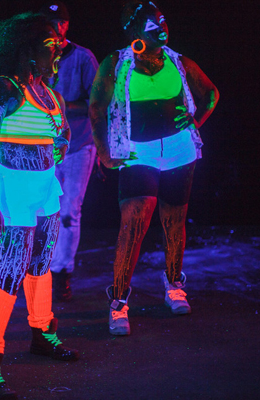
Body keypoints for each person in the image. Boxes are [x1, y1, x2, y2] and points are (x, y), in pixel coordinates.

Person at [90, 1, 219, 336]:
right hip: (138, 152)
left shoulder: (178, 61)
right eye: (153, 25)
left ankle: (174, 285)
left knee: (174, 221)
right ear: (134, 30)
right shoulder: (116, 63)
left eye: (164, 22)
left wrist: (195, 121)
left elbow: (211, 94)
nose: (162, 29)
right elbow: (96, 108)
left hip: (179, 150)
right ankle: (118, 302)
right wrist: (104, 153)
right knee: (134, 225)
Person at [0, 12, 80, 399]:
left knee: (40, 265)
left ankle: (42, 333)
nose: (57, 51)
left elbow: (62, 134)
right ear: (27, 49)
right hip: (12, 191)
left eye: (59, 46)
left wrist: (62, 141)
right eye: (50, 46)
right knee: (8, 274)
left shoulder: (50, 94)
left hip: (45, 188)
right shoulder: (3, 88)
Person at [39, 1, 99, 302]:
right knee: (43, 211)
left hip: (77, 145)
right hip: (42, 147)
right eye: (51, 22)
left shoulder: (83, 57)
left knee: (69, 212)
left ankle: (62, 273)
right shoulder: (36, 54)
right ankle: (41, 271)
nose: (57, 27)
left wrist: (59, 105)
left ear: (67, 24)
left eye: (60, 22)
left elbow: (98, 102)